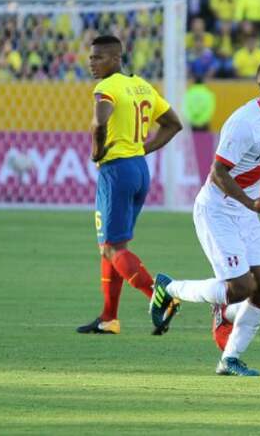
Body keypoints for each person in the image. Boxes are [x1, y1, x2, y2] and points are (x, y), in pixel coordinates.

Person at [150, 58, 260, 377]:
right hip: (218, 209)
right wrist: (250, 201)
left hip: (246, 212)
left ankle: (230, 359)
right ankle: (170, 288)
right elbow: (217, 172)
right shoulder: (245, 122)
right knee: (241, 287)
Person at [77, 35, 183, 335]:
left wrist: (97, 150)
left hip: (116, 171)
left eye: (98, 58)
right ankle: (109, 318)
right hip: (138, 170)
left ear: (115, 58)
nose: (92, 63)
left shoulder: (106, 88)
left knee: (111, 247)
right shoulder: (142, 86)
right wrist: (143, 150)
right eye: (91, 58)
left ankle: (159, 296)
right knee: (113, 246)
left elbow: (99, 122)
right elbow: (173, 124)